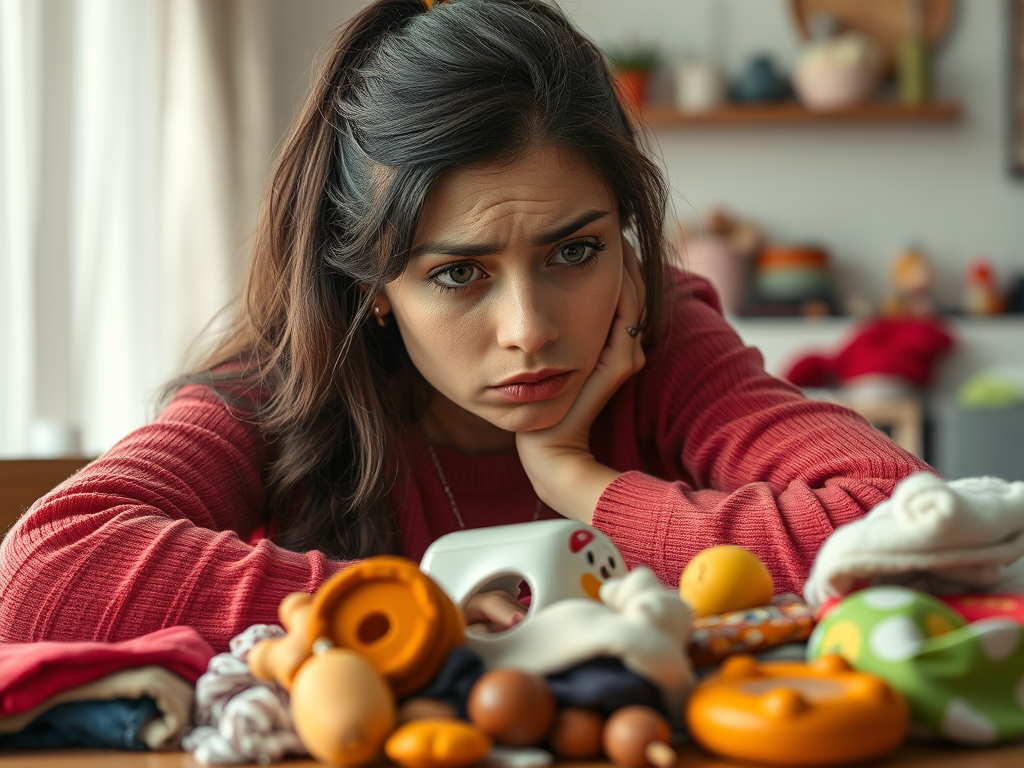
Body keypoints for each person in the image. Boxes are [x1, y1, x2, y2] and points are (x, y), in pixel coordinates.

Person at [0, 0, 929, 652]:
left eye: (575, 252)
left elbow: (907, 523)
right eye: (456, 274)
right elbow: (41, 573)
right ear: (369, 283)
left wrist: (586, 485)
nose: (531, 329)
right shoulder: (282, 388)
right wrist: (420, 606)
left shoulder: (659, 330)